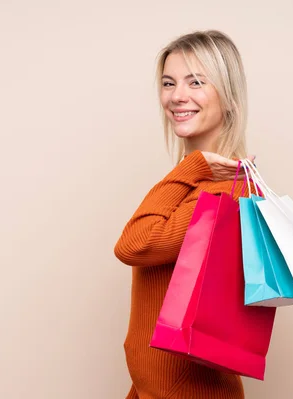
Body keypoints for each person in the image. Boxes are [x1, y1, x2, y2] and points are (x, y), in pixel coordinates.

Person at [114, 30, 255, 399]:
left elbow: (134, 245)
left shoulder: (227, 191)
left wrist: (191, 166)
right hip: (154, 389)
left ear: (228, 96)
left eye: (196, 82)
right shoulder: (197, 184)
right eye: (168, 83)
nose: (177, 96)